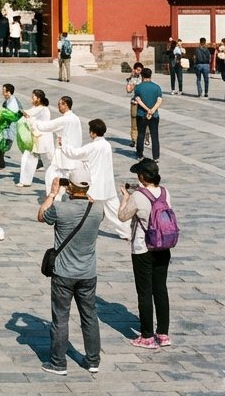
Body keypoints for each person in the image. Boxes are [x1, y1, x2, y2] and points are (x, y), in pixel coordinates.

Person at [37, 168, 101, 376]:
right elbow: (88, 203)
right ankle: (93, 361)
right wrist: (82, 193)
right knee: (90, 316)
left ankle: (58, 363)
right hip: (88, 273)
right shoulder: (98, 209)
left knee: (61, 319)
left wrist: (53, 193)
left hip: (64, 273)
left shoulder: (60, 209)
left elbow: (41, 216)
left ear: (70, 186)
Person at [117, 158, 174, 349]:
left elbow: (122, 216)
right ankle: (163, 334)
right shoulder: (165, 192)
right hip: (163, 246)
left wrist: (125, 198)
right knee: (161, 289)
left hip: (143, 248)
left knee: (144, 292)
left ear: (142, 176)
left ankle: (147, 335)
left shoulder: (138, 196)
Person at [61, 119, 131, 239]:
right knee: (115, 211)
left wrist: (63, 145)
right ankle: (128, 232)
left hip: (95, 185)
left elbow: (74, 154)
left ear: (93, 133)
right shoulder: (107, 145)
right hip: (108, 184)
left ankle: (80, 228)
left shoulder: (92, 146)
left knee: (86, 210)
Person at [17, 89, 53, 187]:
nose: (31, 99)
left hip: (43, 139)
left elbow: (28, 113)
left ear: (39, 98)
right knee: (28, 157)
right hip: (36, 138)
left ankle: (54, 180)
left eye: (33, 97)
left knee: (49, 161)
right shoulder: (37, 108)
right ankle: (25, 181)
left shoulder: (43, 109)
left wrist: (21, 112)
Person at [132, 68, 163, 161]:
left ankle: (140, 155)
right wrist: (152, 110)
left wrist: (147, 110)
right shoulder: (157, 87)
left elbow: (138, 100)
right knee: (155, 136)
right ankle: (156, 157)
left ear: (142, 75)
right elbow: (159, 101)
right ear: (150, 75)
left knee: (141, 135)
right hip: (154, 115)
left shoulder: (138, 87)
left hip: (142, 114)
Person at [124, 62, 144, 145]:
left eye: (140, 70)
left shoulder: (144, 78)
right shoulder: (131, 78)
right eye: (137, 70)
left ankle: (145, 137)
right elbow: (128, 90)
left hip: (143, 102)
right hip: (135, 102)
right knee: (134, 121)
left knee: (144, 120)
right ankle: (134, 139)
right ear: (134, 70)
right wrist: (133, 85)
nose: (139, 72)